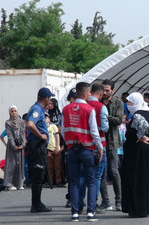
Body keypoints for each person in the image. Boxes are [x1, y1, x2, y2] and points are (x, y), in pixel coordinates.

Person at [62, 82, 104, 222]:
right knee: (91, 181)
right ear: (86, 94)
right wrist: (100, 147)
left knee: (73, 182)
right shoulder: (89, 109)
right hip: (86, 150)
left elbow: (63, 131)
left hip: (71, 150)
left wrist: (69, 142)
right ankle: (90, 212)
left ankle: (75, 213)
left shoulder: (66, 109)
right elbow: (94, 131)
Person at [26, 87, 53, 213]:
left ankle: (37, 202)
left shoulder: (38, 109)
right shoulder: (37, 109)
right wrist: (40, 135)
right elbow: (30, 124)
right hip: (37, 146)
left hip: (39, 146)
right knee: (38, 175)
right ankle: (36, 204)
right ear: (46, 98)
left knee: (40, 174)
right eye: (49, 98)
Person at [101, 79, 123, 211]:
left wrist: (104, 116)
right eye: (103, 90)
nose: (104, 92)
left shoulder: (117, 102)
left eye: (107, 90)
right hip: (100, 142)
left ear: (112, 91)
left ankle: (119, 200)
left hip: (113, 141)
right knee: (102, 174)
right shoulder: (98, 102)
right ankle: (105, 201)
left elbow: (119, 120)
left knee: (114, 172)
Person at [86, 83, 109, 214]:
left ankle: (77, 203)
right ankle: (93, 204)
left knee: (85, 176)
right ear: (100, 94)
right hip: (100, 144)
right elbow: (105, 128)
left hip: (86, 145)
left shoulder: (84, 105)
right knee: (97, 176)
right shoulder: (102, 107)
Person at [4, 105, 26, 191]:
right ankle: (10, 183)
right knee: (11, 164)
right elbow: (9, 135)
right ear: (9, 112)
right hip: (12, 146)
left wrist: (23, 144)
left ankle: (20, 183)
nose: (14, 113)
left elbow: (23, 134)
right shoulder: (8, 122)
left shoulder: (22, 122)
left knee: (20, 164)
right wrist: (14, 146)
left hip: (20, 145)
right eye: (12, 111)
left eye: (15, 111)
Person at [45, 113, 63, 186]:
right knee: (49, 167)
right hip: (48, 149)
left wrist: (57, 146)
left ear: (49, 119)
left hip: (55, 148)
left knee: (57, 166)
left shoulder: (53, 126)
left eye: (46, 117)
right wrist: (47, 151)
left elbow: (57, 136)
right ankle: (50, 181)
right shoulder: (42, 128)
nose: (45, 119)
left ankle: (59, 181)